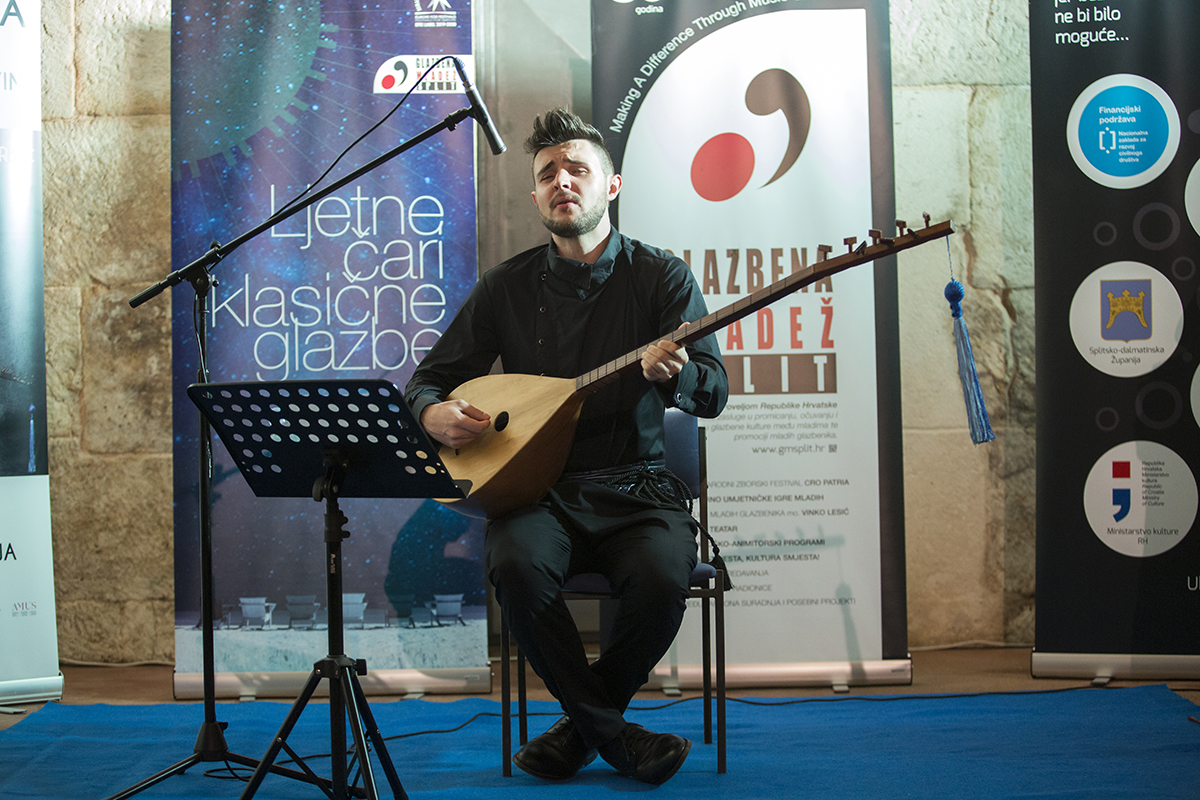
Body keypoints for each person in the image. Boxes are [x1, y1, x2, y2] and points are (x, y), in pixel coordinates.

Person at [404, 108, 727, 785]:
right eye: (548, 173)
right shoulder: (506, 286)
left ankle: (580, 732)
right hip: (537, 492)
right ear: (535, 196)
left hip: (638, 490)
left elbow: (713, 393)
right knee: (516, 566)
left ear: (612, 185)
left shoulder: (662, 277)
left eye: (577, 168)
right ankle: (618, 738)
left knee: (663, 577)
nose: (562, 181)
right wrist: (432, 414)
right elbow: (428, 381)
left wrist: (677, 376)